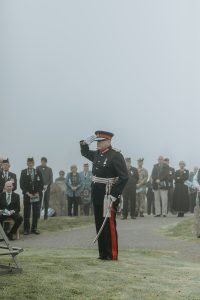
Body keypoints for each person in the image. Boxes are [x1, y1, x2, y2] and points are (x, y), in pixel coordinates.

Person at [80, 130, 128, 260]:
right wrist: (85, 142)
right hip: (97, 193)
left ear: (108, 142)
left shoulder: (116, 155)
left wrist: (114, 194)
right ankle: (102, 253)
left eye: (100, 142)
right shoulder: (97, 154)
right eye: (97, 142)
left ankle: (111, 254)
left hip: (108, 194)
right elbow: (84, 152)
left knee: (109, 224)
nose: (97, 144)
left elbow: (124, 177)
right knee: (99, 222)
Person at [20, 157, 43, 235]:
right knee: (27, 212)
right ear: (27, 163)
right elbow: (21, 184)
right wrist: (27, 193)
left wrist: (38, 192)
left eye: (32, 163)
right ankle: (26, 229)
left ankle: (34, 228)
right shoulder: (23, 172)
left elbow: (41, 184)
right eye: (29, 163)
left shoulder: (38, 171)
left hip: (36, 195)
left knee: (36, 212)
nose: (30, 164)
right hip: (27, 195)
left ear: (33, 163)